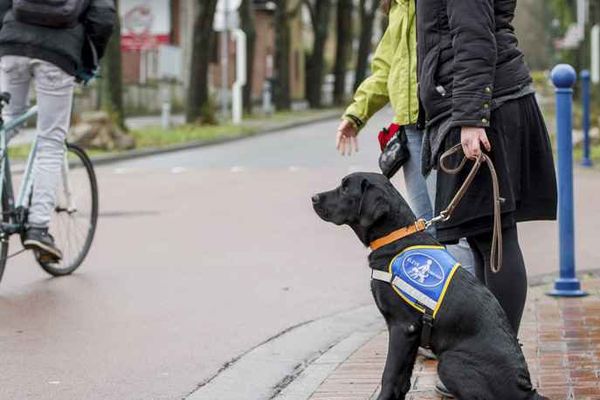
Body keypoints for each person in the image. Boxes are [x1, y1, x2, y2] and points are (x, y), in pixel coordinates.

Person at [416, 0, 557, 340]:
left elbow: (473, 36)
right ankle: (492, 357)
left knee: (496, 238)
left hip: (484, 111)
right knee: (484, 238)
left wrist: (469, 117)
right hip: (485, 104)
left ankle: (502, 364)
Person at [336, 0, 474, 274]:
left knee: (454, 230)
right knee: (424, 226)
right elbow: (386, 68)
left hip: (442, 123)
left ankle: (469, 309)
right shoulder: (397, 5)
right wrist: (356, 114)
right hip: (410, 129)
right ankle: (436, 305)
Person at [0, 0, 116, 261]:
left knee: (10, 118)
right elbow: (103, 17)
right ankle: (38, 228)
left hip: (12, 45)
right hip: (58, 53)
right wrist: (89, 61)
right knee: (51, 141)